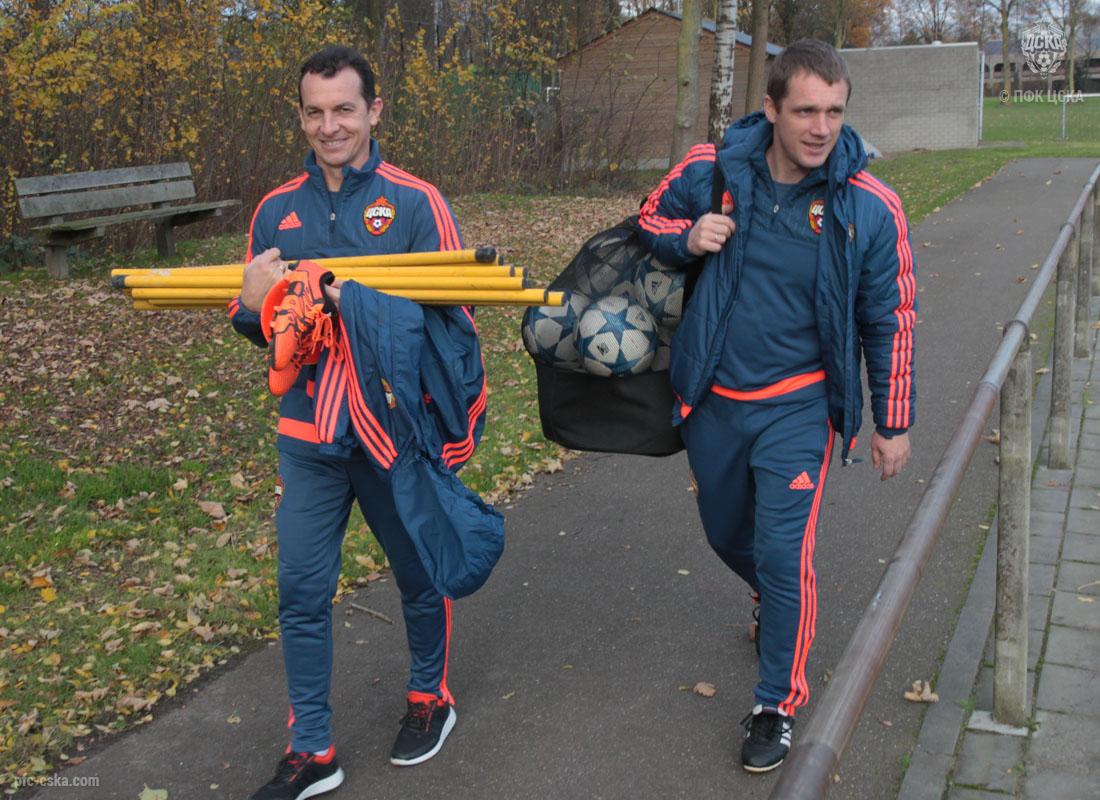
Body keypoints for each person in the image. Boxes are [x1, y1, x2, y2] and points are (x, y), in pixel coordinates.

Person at [637, 39, 915, 773]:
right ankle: (771, 595)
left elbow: (889, 317)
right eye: (805, 111)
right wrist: (687, 237)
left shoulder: (868, 205)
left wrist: (893, 422)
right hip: (714, 398)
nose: (821, 128)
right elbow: (647, 219)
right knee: (727, 532)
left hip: (799, 404)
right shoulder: (714, 169)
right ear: (771, 108)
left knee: (786, 552)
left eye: (835, 112)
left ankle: (775, 703)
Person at [229, 45, 493, 800]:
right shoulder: (274, 209)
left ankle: (429, 696)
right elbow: (257, 328)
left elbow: (453, 328)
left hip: (388, 431)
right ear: (300, 116)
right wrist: (253, 304)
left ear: (373, 110)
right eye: (314, 112)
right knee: (300, 589)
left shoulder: (415, 202)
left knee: (418, 571)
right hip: (309, 434)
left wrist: (360, 307)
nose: (330, 126)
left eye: (344, 109)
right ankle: (311, 748)